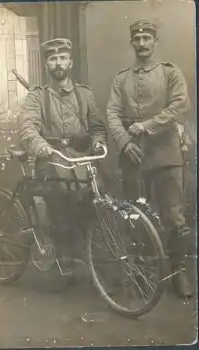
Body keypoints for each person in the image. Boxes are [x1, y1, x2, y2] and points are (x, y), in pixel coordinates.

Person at [106, 20, 192, 298]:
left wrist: (148, 125)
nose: (142, 43)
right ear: (131, 43)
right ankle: (140, 272)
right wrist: (125, 141)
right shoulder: (121, 79)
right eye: (137, 39)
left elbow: (181, 105)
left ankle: (179, 274)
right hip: (133, 156)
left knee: (174, 216)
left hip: (166, 154)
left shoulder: (170, 73)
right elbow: (112, 114)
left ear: (156, 41)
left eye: (147, 38)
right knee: (135, 215)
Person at [19, 38, 107, 270]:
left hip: (80, 158)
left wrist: (98, 143)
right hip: (52, 160)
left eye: (62, 58)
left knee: (96, 198)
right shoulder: (37, 96)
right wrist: (41, 147)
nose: (58, 63)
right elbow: (28, 128)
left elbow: (97, 127)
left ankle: (89, 255)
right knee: (60, 202)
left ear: (70, 62)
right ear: (47, 64)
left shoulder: (85, 95)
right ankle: (64, 257)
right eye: (53, 59)